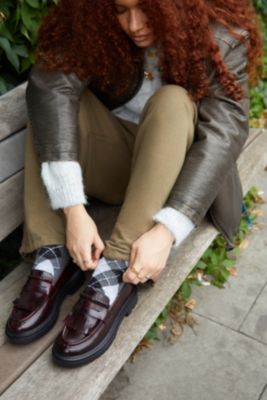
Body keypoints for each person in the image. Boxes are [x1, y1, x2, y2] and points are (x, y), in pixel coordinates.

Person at [5, 0, 262, 367]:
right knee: (51, 98)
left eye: (145, 8)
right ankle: (54, 253)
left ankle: (115, 272)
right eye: (120, 10)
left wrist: (167, 230)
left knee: (174, 100)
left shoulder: (219, 33)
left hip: (172, 181)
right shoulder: (96, 23)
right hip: (114, 163)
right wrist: (73, 212)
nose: (134, 24)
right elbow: (51, 85)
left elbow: (225, 132)